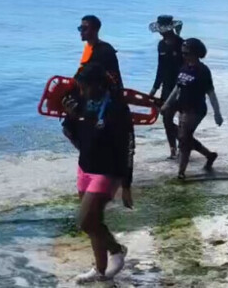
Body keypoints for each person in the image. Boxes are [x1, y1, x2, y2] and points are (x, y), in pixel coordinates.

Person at [61, 63, 133, 284]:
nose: (82, 92)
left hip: (108, 171)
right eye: (80, 88)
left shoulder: (117, 108)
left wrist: (126, 185)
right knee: (94, 223)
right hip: (85, 167)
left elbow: (128, 146)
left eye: (86, 87)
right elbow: (73, 135)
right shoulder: (82, 101)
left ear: (100, 85)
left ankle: (117, 250)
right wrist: (71, 116)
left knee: (85, 221)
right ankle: (100, 271)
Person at [77, 15, 134, 209]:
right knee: (72, 129)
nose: (81, 31)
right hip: (92, 100)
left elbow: (112, 79)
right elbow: (82, 77)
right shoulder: (89, 49)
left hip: (105, 102)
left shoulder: (104, 51)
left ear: (95, 30)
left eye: (85, 28)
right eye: (80, 28)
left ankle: (112, 177)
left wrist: (126, 185)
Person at [162, 38, 224, 180]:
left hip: (196, 109)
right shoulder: (184, 68)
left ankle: (181, 172)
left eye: (187, 53)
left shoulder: (203, 71)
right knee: (184, 136)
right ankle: (209, 155)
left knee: (183, 138)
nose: (184, 56)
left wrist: (217, 114)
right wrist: (166, 104)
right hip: (183, 107)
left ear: (196, 53)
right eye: (183, 53)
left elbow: (211, 93)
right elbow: (177, 89)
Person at [148, 15, 184, 160]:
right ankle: (173, 149)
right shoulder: (161, 45)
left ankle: (184, 145)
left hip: (181, 86)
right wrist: (154, 88)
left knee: (182, 118)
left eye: (163, 29)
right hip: (167, 86)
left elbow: (186, 67)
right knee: (166, 119)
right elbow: (160, 68)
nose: (161, 32)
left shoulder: (182, 44)